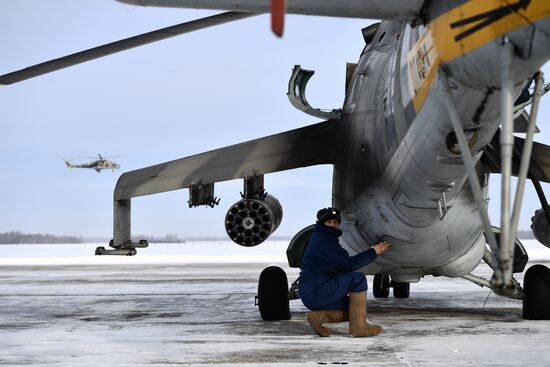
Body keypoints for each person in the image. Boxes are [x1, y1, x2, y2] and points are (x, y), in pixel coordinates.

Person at [298, 207, 390, 337]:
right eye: (329, 222)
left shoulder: (320, 237)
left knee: (354, 307)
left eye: (335, 222)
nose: (333, 225)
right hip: (318, 290)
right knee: (358, 279)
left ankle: (318, 317)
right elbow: (349, 264)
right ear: (322, 223)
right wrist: (374, 251)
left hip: (311, 293)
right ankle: (359, 328)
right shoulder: (325, 241)